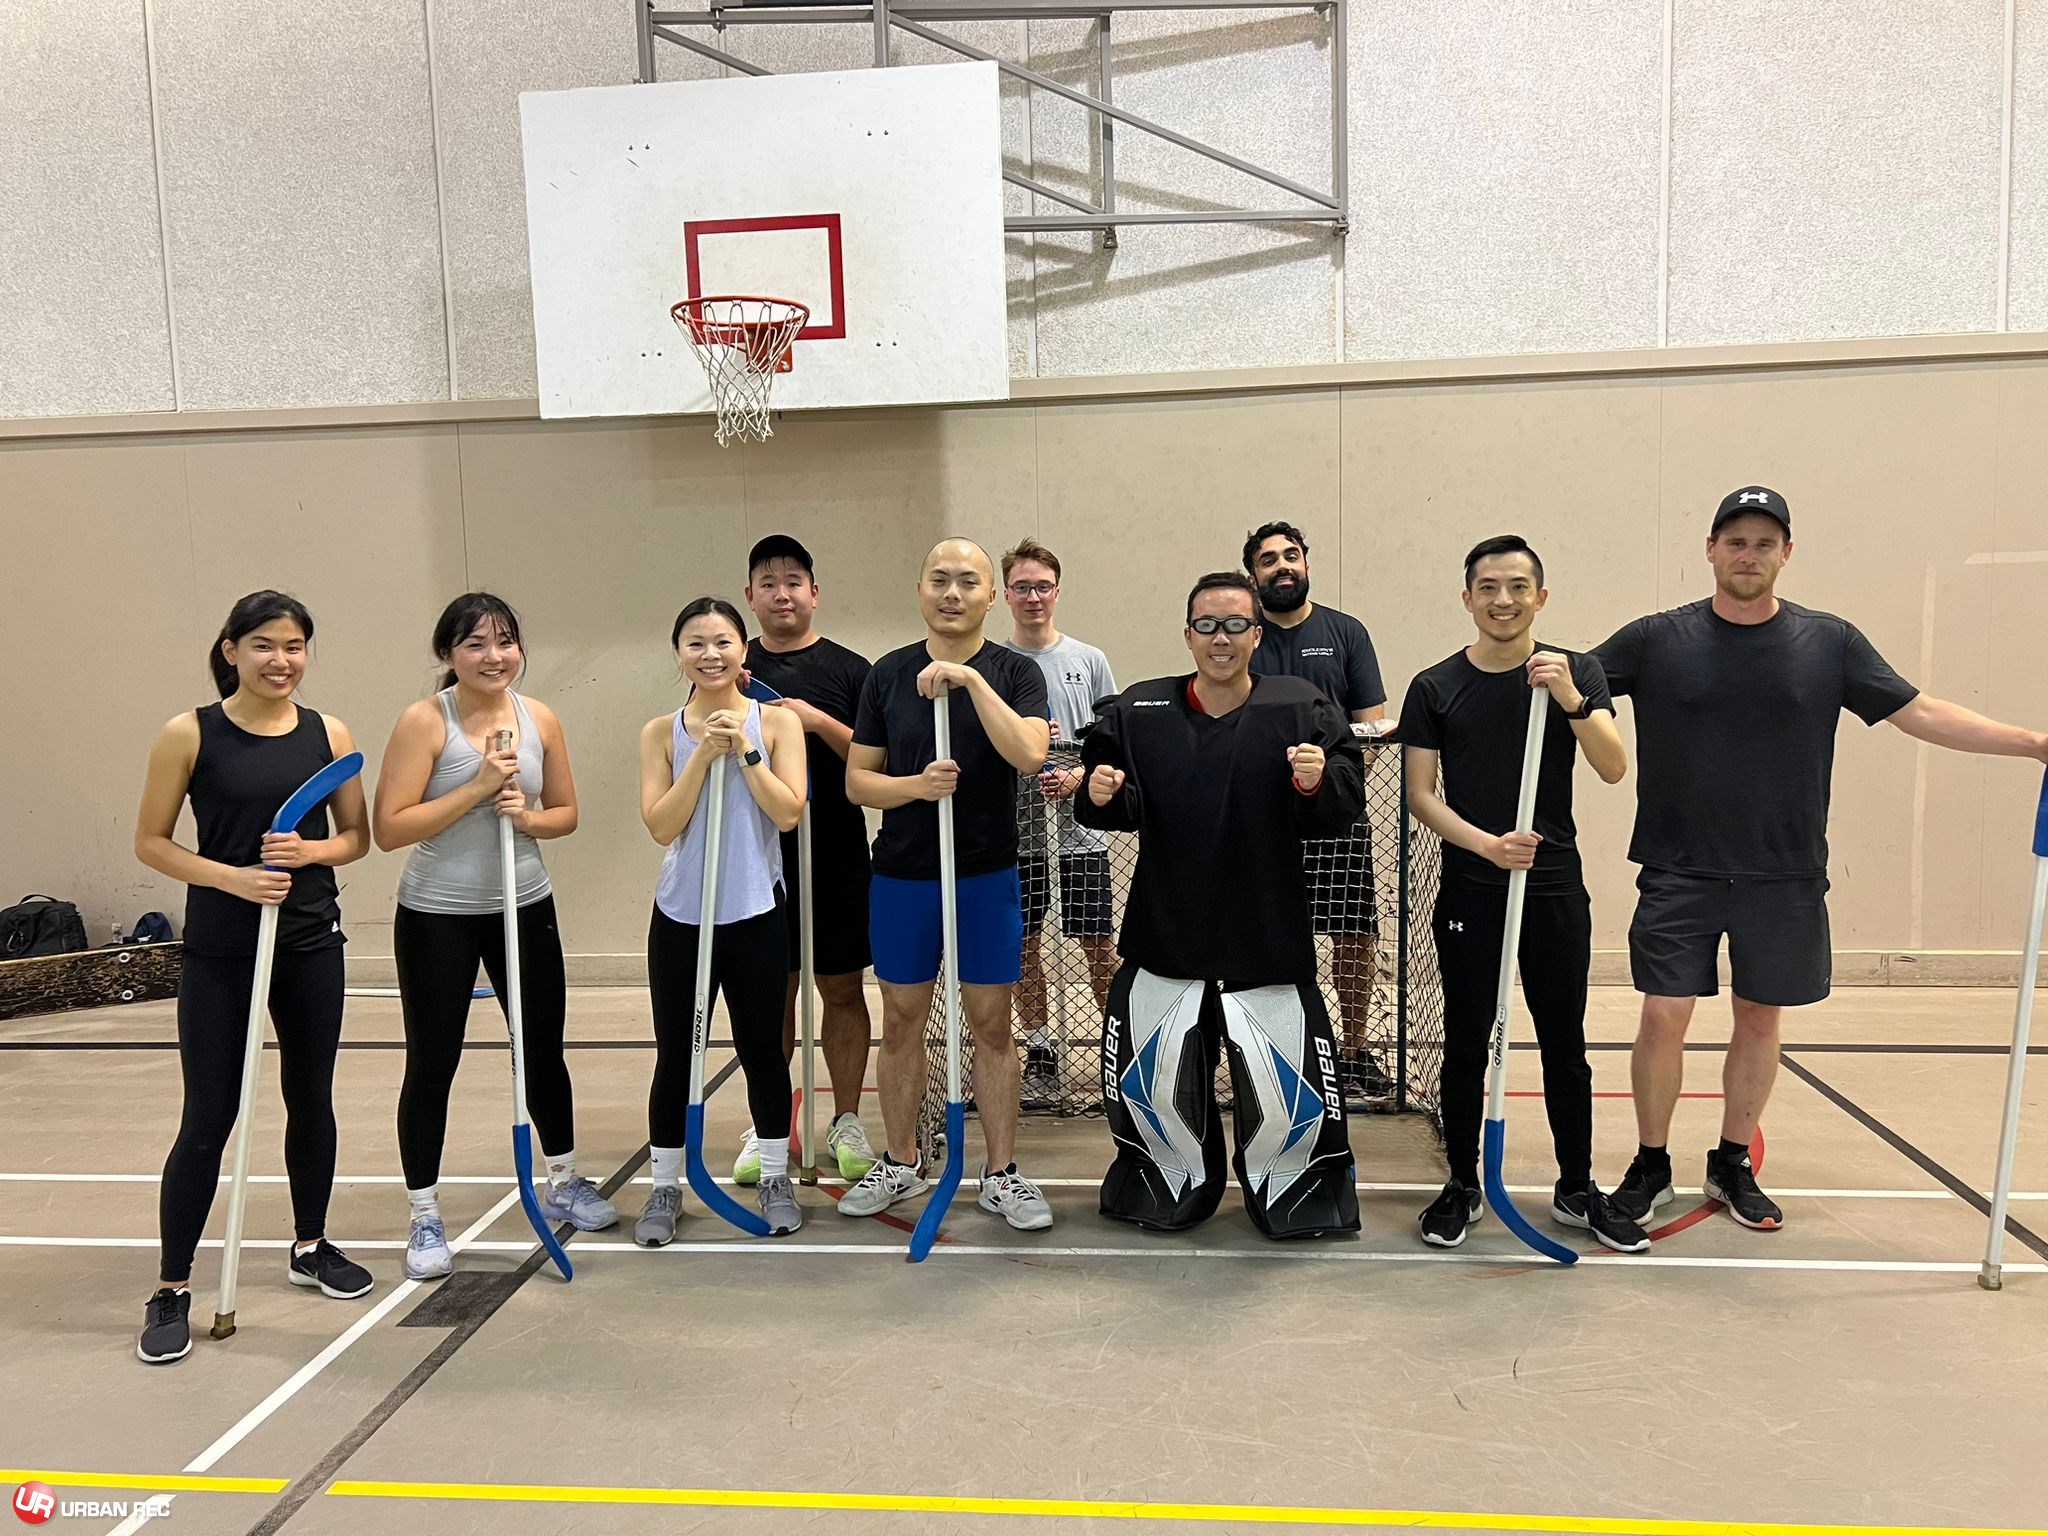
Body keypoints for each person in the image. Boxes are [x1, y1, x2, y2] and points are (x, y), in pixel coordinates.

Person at [1596, 487, 2048, 1231]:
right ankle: (1650, 1163)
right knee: (1664, 1013)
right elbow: (1573, 685)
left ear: (1786, 554)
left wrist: (2032, 742)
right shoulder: (1655, 639)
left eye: (1764, 543)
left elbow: (1921, 711)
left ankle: (1731, 1160)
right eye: (1736, 541)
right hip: (1681, 866)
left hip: (1785, 871)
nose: (1749, 555)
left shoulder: (1829, 643)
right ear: (1710, 550)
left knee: (1760, 1016)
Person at [1077, 571, 1365, 1239]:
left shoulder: (1303, 708)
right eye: (1207, 625)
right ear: (1187, 635)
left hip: (1265, 937)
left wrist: (1317, 783)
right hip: (1166, 934)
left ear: (1257, 635)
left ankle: (1298, 1186)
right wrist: (1096, 793)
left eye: (1237, 625)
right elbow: (1105, 799)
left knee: (1283, 1090)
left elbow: (1341, 800)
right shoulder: (1137, 712)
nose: (1221, 638)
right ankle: (1162, 1179)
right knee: (1155, 1089)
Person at [133, 591, 373, 1364]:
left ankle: (311, 1245)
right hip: (221, 948)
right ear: (232, 648)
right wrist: (233, 879)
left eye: (296, 645)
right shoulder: (189, 733)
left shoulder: (327, 733)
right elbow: (152, 842)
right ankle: (172, 1287)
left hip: (309, 943)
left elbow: (356, 837)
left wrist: (311, 855)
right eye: (266, 645)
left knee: (312, 1097)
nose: (282, 660)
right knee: (209, 1116)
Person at [1401, 536, 1648, 1254]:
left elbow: (1612, 766)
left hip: (1552, 887)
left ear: (1541, 597)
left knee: (1564, 1040)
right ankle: (1463, 1185)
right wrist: (1485, 845)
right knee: (1467, 1042)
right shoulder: (1435, 685)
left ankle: (1576, 1186)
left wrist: (1571, 697)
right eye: (1487, 587)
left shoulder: (1578, 672)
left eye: (1517, 587)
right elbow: (1420, 795)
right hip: (1473, 886)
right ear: (1468, 597)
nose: (1502, 600)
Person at [373, 593, 616, 1281]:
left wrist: (528, 818)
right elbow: (390, 827)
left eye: (505, 641)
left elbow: (564, 812)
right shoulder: (426, 722)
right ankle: (424, 1213)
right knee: (433, 1060)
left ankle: (564, 1180)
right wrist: (477, 787)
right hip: (437, 915)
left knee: (542, 1048)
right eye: (475, 644)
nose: (493, 656)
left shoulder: (537, 717)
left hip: (524, 903)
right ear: (449, 654)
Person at [841, 538, 1056, 1230]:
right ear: (920, 589)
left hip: (986, 871)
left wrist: (969, 682)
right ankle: (902, 1160)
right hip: (904, 874)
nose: (953, 592)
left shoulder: (1015, 673)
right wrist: (916, 787)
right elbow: (856, 781)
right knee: (902, 1019)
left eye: (969, 581)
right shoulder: (886, 675)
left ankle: (1000, 1173)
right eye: (940, 579)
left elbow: (1028, 752)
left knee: (993, 1024)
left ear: (991, 596)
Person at [635, 598, 809, 1242]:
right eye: (696, 644)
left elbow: (788, 813)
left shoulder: (777, 724)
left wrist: (745, 753)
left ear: (744, 650)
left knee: (763, 1050)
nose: (711, 655)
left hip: (754, 910)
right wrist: (701, 760)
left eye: (724, 642)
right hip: (682, 914)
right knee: (675, 1053)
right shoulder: (661, 732)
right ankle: (663, 1188)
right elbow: (661, 825)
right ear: (679, 653)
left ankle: (772, 1176)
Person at [738, 535, 879, 1184]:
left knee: (841, 988)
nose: (782, 593)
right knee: (772, 993)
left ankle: (846, 1119)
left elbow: (880, 762)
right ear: (751, 598)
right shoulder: (729, 668)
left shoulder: (854, 672)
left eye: (794, 581)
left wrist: (816, 722)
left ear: (814, 593)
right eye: (768, 583)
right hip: (757, 855)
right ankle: (770, 1121)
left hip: (839, 852)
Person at [1241, 521, 1389, 1105]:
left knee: (1353, 935)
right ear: (1252, 575)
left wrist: (1328, 788)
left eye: (1291, 556)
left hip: (1334, 819)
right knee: (1263, 934)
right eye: (1269, 559)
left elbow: (1370, 730)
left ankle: (1352, 1054)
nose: (1282, 566)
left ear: (1306, 564)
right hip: (1258, 822)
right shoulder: (1244, 637)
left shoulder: (1345, 633)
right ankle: (1272, 1050)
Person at [999, 536, 1119, 1107]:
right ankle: (1041, 1048)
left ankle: (1119, 1048)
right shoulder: (996, 663)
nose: (1033, 597)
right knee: (1023, 941)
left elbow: (1112, 738)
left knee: (1098, 940)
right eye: (1022, 587)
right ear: (1005, 595)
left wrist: (1078, 776)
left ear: (1057, 591)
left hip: (1081, 822)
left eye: (1042, 587)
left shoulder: (1088, 659)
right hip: (1018, 820)